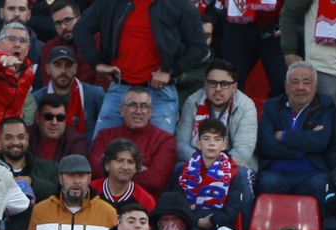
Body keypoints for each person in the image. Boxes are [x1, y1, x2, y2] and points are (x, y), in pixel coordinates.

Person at [76, 0, 206, 135]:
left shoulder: (179, 5)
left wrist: (170, 71)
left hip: (160, 91)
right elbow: (81, 28)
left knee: (161, 151)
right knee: (102, 149)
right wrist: (97, 63)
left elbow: (199, 47)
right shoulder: (110, 2)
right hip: (120, 87)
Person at [254, 61, 334, 200]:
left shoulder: (325, 105)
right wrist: (303, 145)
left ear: (315, 87)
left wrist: (283, 136)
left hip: (313, 173)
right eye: (295, 82)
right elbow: (265, 143)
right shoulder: (272, 106)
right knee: (266, 182)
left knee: (320, 184)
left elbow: (321, 141)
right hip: (276, 173)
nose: (300, 87)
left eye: (306, 82)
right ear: (286, 86)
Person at [175, 58, 258, 170]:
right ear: (205, 84)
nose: (218, 89)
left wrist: (217, 166)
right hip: (197, 162)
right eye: (213, 83)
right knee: (178, 168)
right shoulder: (193, 101)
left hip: (234, 163)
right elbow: (181, 145)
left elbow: (243, 150)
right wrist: (204, 163)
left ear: (234, 87)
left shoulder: (246, 105)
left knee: (241, 173)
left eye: (224, 84)